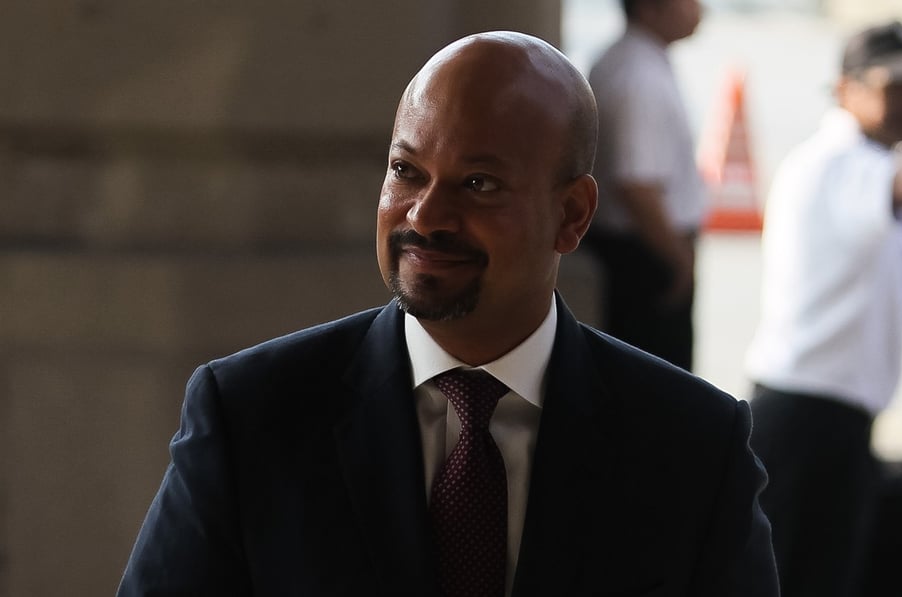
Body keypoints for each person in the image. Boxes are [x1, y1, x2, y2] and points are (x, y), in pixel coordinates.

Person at [116, 30, 779, 597]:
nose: (427, 215)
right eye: (406, 171)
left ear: (572, 214)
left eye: (479, 184)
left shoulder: (693, 447)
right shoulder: (251, 415)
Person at [743, 22, 902, 597]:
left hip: (840, 423)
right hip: (799, 417)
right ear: (846, 90)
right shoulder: (835, 161)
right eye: (894, 86)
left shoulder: (869, 162)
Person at [585, 0, 705, 370]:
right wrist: (677, 259)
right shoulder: (639, 75)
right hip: (643, 252)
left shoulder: (631, 60)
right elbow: (636, 185)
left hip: (638, 248)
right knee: (657, 381)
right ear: (650, 8)